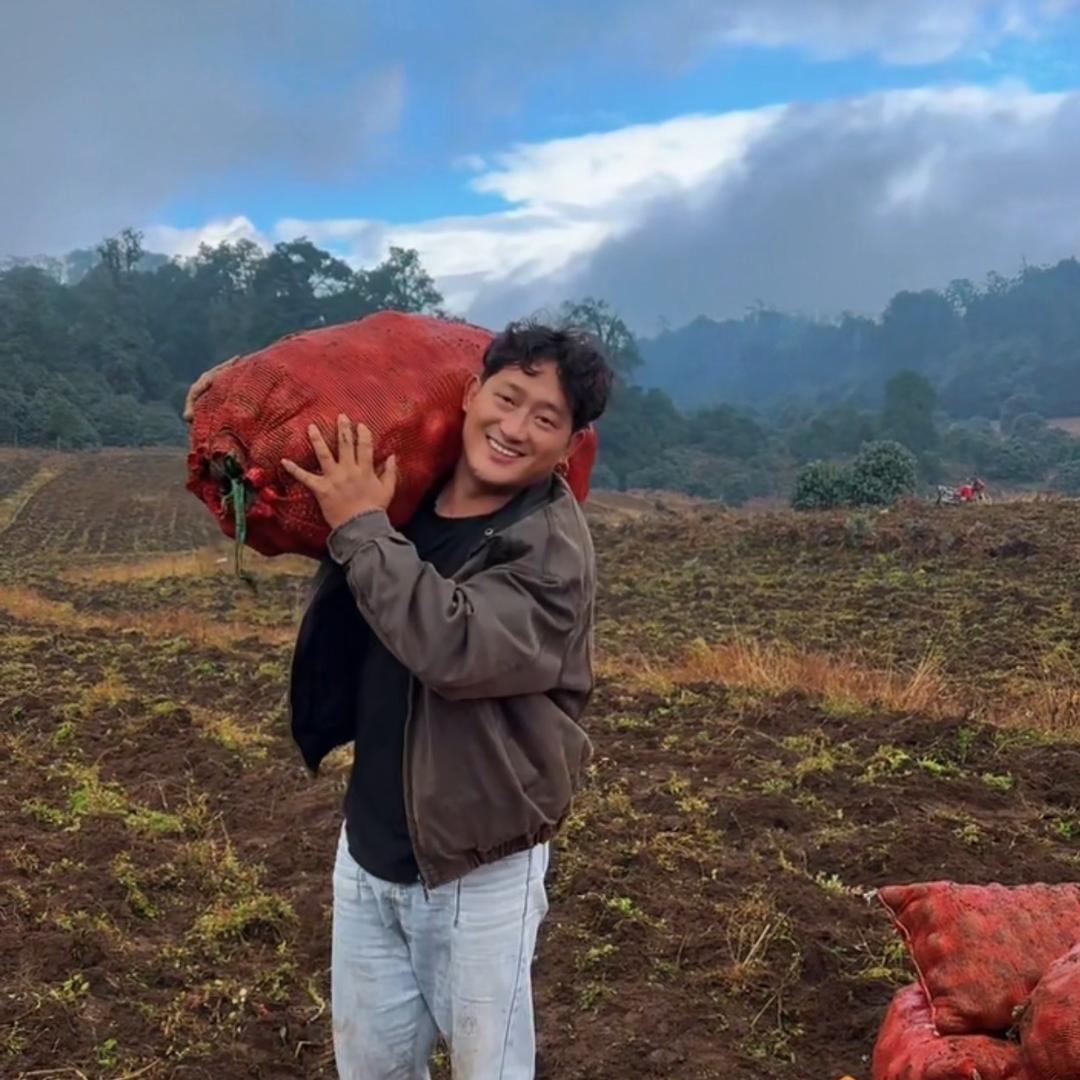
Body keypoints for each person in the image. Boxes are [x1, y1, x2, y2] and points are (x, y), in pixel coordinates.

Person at [185, 321, 614, 1079]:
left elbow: (453, 645)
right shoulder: (407, 489)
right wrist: (233, 408)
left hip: (476, 867)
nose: (514, 428)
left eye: (544, 418)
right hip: (370, 848)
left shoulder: (549, 551)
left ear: (569, 443)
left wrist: (361, 527)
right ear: (472, 393)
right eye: (507, 399)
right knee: (372, 1069)